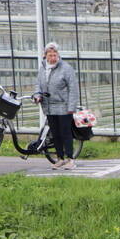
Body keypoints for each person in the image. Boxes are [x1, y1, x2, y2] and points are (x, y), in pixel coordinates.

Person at [34, 42, 80, 170]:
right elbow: (38, 84)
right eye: (50, 55)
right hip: (49, 107)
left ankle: (70, 159)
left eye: (55, 55)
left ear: (58, 55)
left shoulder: (66, 68)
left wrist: (71, 107)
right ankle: (60, 158)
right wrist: (37, 95)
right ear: (45, 55)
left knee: (66, 133)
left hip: (64, 107)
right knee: (55, 134)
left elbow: (73, 88)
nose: (53, 58)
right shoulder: (43, 68)